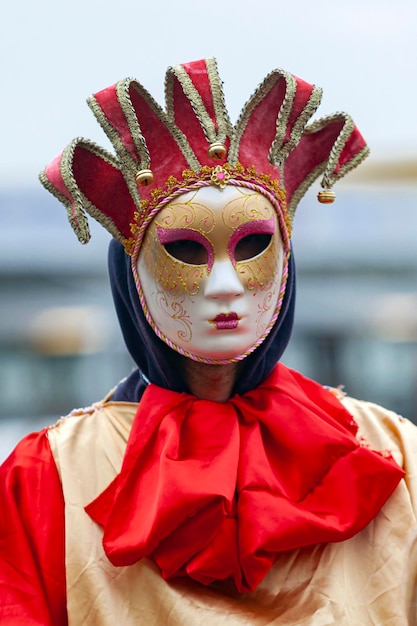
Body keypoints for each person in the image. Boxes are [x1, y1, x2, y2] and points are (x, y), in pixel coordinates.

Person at [1, 57, 416, 625]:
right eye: (186, 251)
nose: (225, 285)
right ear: (131, 274)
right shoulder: (48, 477)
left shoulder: (395, 454)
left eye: (253, 246)